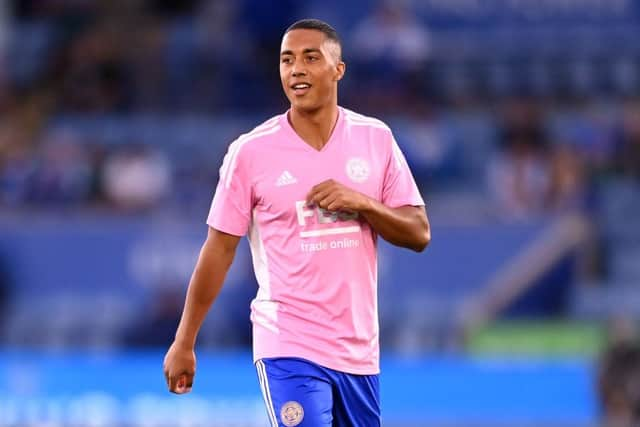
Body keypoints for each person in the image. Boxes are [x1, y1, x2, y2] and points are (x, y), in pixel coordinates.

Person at [163, 19, 430, 426]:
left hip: (359, 351)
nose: (296, 69)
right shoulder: (250, 153)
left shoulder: (375, 139)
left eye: (310, 58)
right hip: (288, 343)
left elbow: (418, 233)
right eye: (287, 60)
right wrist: (185, 340)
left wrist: (363, 204)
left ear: (338, 69)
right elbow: (218, 249)